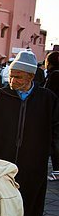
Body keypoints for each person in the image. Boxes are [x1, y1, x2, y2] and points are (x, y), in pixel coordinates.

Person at [0, 50, 59, 216]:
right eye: (12, 76)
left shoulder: (47, 99)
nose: (13, 80)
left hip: (33, 162)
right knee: (1, 198)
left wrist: (47, 152)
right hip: (2, 160)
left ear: (30, 76)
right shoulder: (0, 96)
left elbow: (56, 130)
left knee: (29, 198)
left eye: (18, 77)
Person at [44, 51, 59, 180]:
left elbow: (48, 95)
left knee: (54, 141)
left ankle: (57, 170)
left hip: (55, 114)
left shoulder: (54, 75)